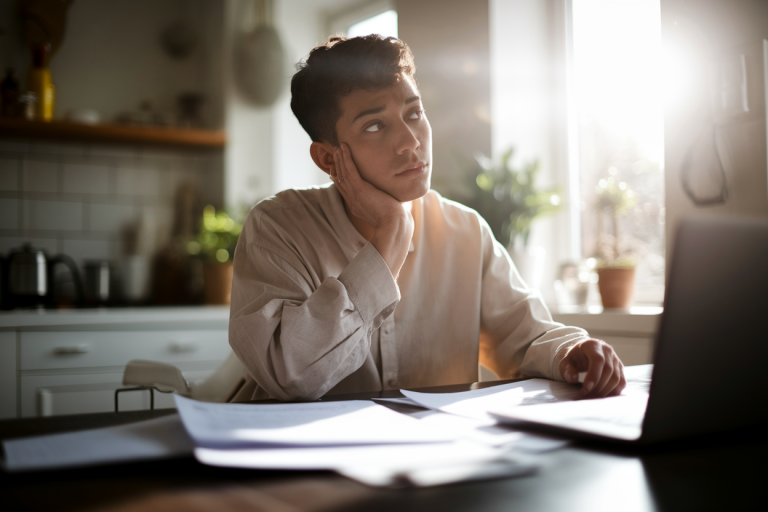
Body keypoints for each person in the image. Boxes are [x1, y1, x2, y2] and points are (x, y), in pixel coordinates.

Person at [228, 35, 625, 402]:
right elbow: (292, 378)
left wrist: (571, 351)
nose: (410, 141)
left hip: (437, 465)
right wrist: (391, 235)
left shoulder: (465, 230)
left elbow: (525, 338)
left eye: (413, 112)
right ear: (329, 158)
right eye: (375, 125)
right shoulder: (276, 229)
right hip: (298, 468)